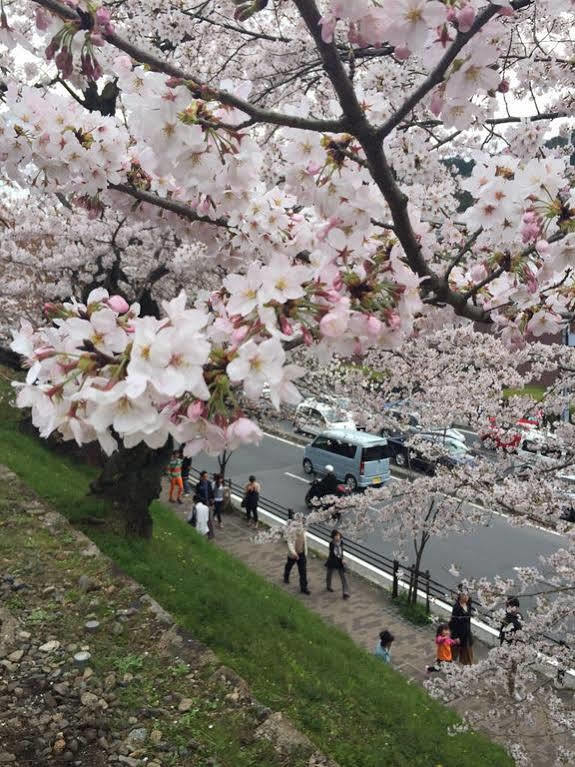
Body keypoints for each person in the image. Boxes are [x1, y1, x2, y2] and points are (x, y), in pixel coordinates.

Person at [283, 509, 311, 595]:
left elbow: (305, 542)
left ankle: (304, 587)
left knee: (303, 571)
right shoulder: (292, 531)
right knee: (289, 566)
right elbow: (290, 543)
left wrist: (304, 553)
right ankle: (286, 576)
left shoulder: (303, 531)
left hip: (301, 553)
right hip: (293, 554)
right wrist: (294, 553)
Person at [449, 592, 474, 665]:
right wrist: (456, 636)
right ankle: (449, 666)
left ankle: (468, 666)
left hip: (467, 633)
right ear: (459, 596)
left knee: (468, 652)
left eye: (467, 595)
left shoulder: (468, 604)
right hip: (458, 634)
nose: (466, 597)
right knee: (454, 652)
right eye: (464, 595)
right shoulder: (457, 607)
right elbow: (453, 623)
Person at [325, 529, 350, 599]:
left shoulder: (341, 542)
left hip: (340, 561)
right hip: (333, 561)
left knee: (343, 577)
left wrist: (342, 558)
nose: (337, 537)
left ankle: (345, 592)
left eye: (338, 535)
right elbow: (334, 553)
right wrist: (341, 558)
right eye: (336, 535)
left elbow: (342, 551)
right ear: (333, 536)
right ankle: (328, 586)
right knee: (329, 574)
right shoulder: (331, 543)